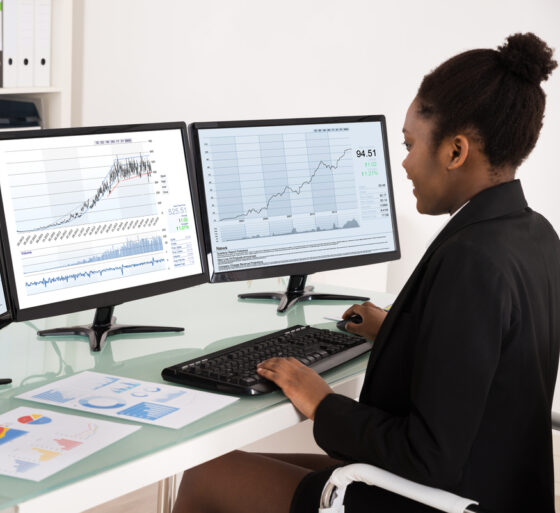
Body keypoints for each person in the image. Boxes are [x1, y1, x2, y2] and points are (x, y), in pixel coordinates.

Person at [172, 32, 560, 513]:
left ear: (456, 152)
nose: (404, 162)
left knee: (205, 477)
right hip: (494, 489)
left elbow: (427, 456)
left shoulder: (473, 260)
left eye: (411, 144)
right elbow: (485, 369)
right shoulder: (534, 233)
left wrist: (322, 401)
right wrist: (399, 330)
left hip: (441, 499)